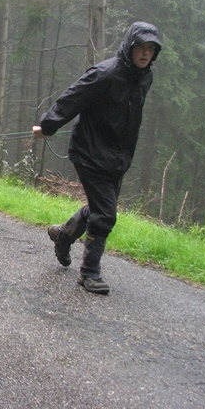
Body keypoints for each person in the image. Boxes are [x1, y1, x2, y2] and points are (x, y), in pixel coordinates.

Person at [32, 21, 162, 295]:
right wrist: (47, 126)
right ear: (130, 46)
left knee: (99, 207)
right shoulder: (105, 73)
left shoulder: (145, 78)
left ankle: (64, 235)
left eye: (151, 49)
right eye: (141, 47)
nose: (145, 54)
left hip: (118, 156)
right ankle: (89, 273)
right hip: (89, 152)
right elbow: (72, 97)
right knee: (105, 213)